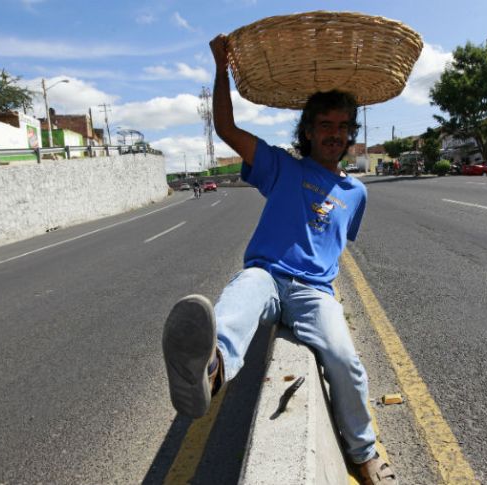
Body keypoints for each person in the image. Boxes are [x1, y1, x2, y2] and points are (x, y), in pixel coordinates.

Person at [161, 34, 397, 485]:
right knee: (239, 295)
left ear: (350, 133)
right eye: (324, 124)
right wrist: (220, 67)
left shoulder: (357, 192)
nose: (334, 133)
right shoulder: (282, 166)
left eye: (342, 125)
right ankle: (210, 372)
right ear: (307, 130)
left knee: (345, 360)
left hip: (314, 293)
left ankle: (364, 455)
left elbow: (337, 242)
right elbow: (228, 131)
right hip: (268, 275)